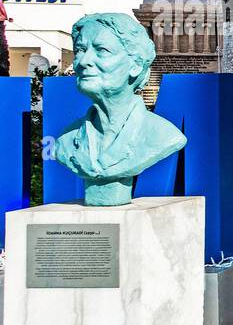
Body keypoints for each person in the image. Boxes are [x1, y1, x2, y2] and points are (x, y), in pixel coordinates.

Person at [53, 13, 187, 206]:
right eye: (80, 50)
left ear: (135, 65)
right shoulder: (66, 141)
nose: (83, 61)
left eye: (102, 50)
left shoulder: (163, 136)